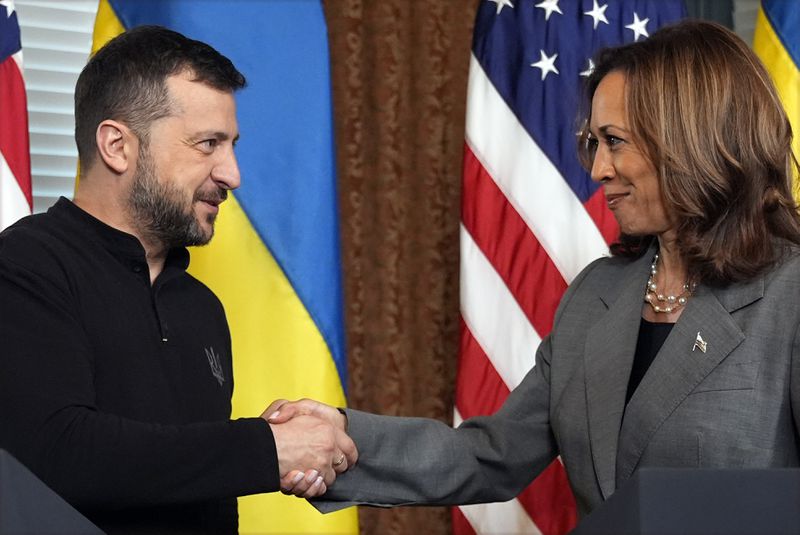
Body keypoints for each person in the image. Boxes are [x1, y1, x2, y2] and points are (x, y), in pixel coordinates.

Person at [268, 20, 800, 518]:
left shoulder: (788, 294)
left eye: (614, 141)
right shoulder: (598, 294)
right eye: (594, 144)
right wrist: (339, 435)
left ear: (693, 139)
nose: (597, 169)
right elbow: (491, 454)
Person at [0, 26, 355, 534]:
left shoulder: (202, 306)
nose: (232, 174)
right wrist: (266, 448)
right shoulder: (24, 266)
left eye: (231, 145)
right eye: (207, 143)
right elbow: (57, 453)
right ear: (117, 146)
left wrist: (292, 448)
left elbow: (203, 491)